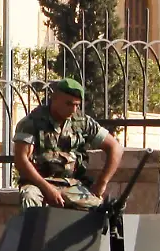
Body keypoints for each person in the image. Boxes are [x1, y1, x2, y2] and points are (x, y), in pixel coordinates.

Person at [13, 77, 123, 209]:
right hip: (37, 184)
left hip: (71, 185)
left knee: (101, 210)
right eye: (69, 104)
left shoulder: (82, 122)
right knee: (30, 199)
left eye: (77, 105)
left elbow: (115, 148)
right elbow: (21, 160)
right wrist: (47, 188)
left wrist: (102, 183)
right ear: (55, 99)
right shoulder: (31, 122)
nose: (73, 109)